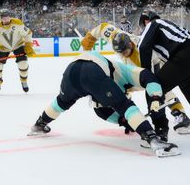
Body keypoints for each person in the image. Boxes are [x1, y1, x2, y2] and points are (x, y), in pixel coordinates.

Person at [27, 50, 180, 158]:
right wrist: (155, 97)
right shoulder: (125, 71)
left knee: (61, 102)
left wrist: (123, 121)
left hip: (71, 71)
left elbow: (102, 111)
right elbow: (149, 77)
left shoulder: (107, 83)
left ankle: (39, 125)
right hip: (92, 69)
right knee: (124, 104)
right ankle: (153, 140)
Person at [82, 22, 190, 132]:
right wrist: (89, 39)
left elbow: (152, 81)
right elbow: (103, 28)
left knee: (160, 89)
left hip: (151, 67)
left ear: (130, 44)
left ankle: (180, 113)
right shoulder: (117, 37)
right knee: (119, 87)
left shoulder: (143, 53)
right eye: (120, 52)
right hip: (132, 71)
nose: (123, 54)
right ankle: (127, 117)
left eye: (125, 51)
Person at [138, 10, 190, 137]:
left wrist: (145, 74)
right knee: (188, 86)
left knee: (154, 88)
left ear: (146, 21)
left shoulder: (153, 24)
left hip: (186, 56)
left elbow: (143, 47)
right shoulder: (167, 27)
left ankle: (160, 132)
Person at [0, 8, 34, 95]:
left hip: (18, 45)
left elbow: (28, 33)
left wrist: (28, 45)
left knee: (23, 64)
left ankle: (24, 81)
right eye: (3, 17)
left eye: (7, 16)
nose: (5, 18)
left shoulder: (18, 23)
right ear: (0, 18)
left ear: (9, 16)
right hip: (3, 48)